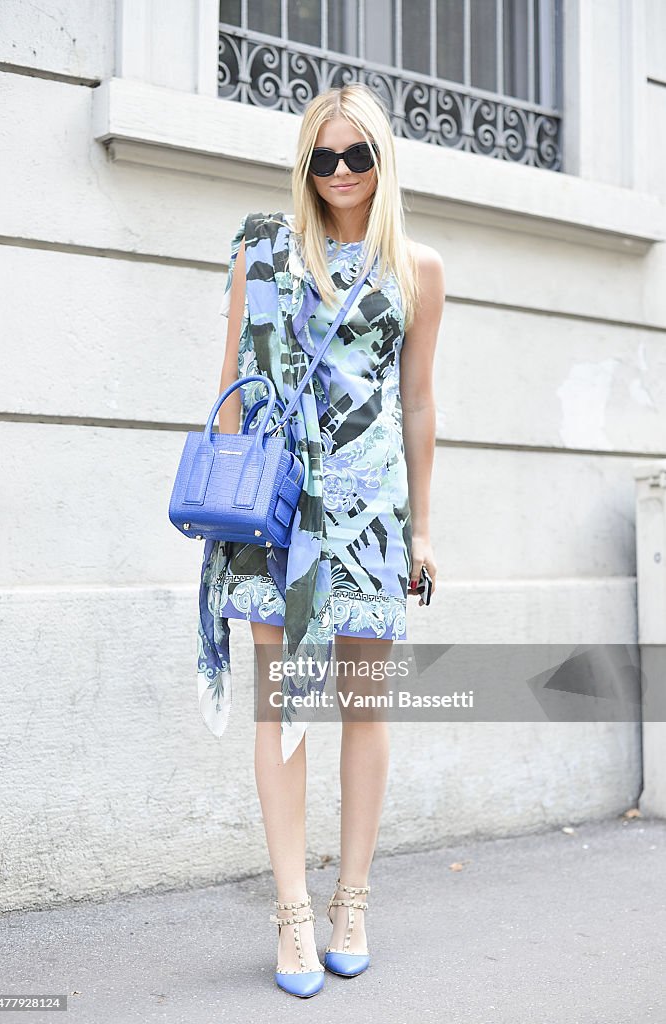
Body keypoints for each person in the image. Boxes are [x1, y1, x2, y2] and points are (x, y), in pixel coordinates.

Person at [198, 82, 444, 997]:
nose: (340, 174)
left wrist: (423, 528)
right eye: (324, 157)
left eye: (358, 156)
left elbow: (417, 402)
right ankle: (293, 912)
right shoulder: (264, 253)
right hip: (278, 510)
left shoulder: (418, 269)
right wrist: (227, 505)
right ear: (306, 164)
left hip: (374, 514)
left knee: (365, 706)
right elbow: (227, 381)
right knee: (285, 706)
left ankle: (355, 898)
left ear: (384, 162)